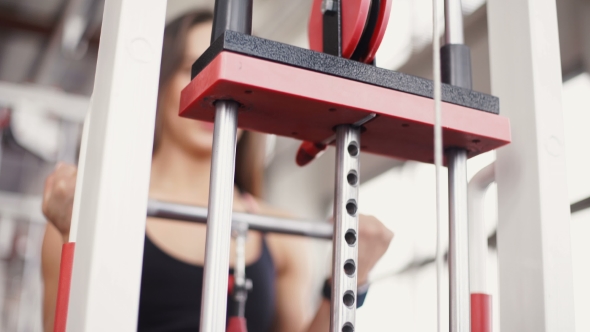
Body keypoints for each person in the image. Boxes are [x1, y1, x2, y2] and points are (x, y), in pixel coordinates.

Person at [41, 11, 394, 332]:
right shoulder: (90, 210)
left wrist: (350, 279)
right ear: (160, 84)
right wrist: (71, 236)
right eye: (194, 68)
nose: (215, 86)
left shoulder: (281, 237)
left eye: (232, 72)